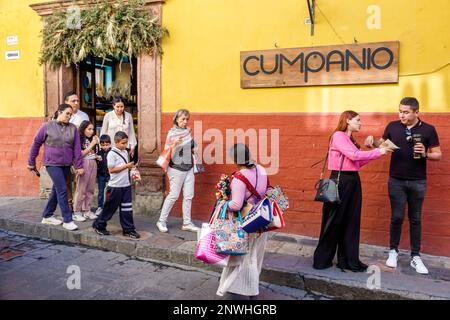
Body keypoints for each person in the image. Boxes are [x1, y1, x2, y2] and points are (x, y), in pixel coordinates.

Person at [365, 97, 442, 274]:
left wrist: (425, 154)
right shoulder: (393, 126)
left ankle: (416, 256)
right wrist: (373, 142)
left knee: (415, 219)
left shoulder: (429, 129)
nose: (401, 115)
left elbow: (438, 154)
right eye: (400, 111)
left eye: (406, 112)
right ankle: (393, 252)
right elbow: (383, 146)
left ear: (416, 112)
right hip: (396, 180)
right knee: (397, 217)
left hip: (418, 181)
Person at [313, 111, 393, 272]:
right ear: (348, 120)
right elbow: (354, 156)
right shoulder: (338, 136)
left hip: (352, 180)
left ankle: (348, 261)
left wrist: (376, 153)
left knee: (351, 221)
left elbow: (357, 163)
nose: (360, 123)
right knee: (334, 221)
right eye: (357, 120)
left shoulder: (349, 139)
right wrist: (378, 152)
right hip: (340, 182)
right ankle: (322, 259)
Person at [216, 143, 269, 300]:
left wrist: (222, 203)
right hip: (261, 219)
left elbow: (236, 205)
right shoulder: (261, 169)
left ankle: (248, 291)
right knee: (255, 256)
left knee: (244, 259)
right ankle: (246, 288)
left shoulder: (239, 178)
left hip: (245, 223)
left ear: (235, 159)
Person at [27, 104, 84, 231]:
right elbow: (36, 143)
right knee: (62, 189)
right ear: (59, 112)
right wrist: (31, 162)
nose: (69, 117)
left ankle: (47, 215)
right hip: (52, 163)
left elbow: (77, 149)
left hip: (66, 164)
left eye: (71, 115)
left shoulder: (73, 128)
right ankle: (67, 220)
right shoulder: (47, 126)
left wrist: (79, 165)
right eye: (67, 114)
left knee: (56, 190)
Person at [156, 109, 199, 233]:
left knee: (189, 196)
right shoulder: (172, 134)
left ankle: (187, 223)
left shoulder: (188, 132)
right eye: (183, 119)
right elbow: (168, 153)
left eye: (187, 119)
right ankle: (161, 221)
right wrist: (174, 145)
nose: (185, 122)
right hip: (176, 169)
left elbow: (193, 147)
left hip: (189, 168)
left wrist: (194, 148)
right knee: (173, 195)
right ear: (176, 120)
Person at [92, 131, 140, 239]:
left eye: (126, 143)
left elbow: (126, 167)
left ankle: (128, 229)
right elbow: (111, 170)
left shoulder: (125, 152)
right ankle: (99, 225)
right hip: (115, 187)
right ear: (116, 142)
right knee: (109, 208)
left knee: (127, 209)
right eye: (123, 143)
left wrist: (132, 169)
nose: (125, 145)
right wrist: (126, 166)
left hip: (126, 185)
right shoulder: (112, 154)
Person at [64, 91, 89, 213]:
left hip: (80, 152)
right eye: (73, 101)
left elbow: (87, 132)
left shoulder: (83, 116)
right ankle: (69, 206)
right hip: (66, 152)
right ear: (66, 102)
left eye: (78, 101)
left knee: (79, 179)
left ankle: (78, 205)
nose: (76, 103)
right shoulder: (61, 115)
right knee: (67, 179)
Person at [73, 120, 100, 221]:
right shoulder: (79, 140)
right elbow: (80, 155)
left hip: (92, 163)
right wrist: (92, 144)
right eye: (89, 129)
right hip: (83, 164)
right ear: (83, 129)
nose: (91, 131)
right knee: (81, 189)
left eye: (92, 129)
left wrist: (96, 156)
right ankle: (77, 211)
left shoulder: (91, 139)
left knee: (90, 188)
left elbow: (91, 153)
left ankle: (87, 210)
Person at [95, 134, 112, 216]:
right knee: (101, 192)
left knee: (109, 191)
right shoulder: (99, 153)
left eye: (107, 145)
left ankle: (108, 207)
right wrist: (97, 159)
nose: (105, 147)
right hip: (101, 174)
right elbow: (96, 163)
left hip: (110, 174)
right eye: (103, 145)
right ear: (100, 145)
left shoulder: (112, 152)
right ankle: (100, 207)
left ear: (110, 144)